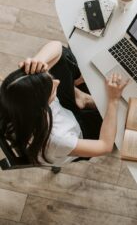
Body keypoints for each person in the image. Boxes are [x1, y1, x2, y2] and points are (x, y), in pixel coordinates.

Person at [0, 41, 128, 166]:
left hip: (60, 114)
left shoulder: (15, 97)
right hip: (79, 133)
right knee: (122, 117)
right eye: (52, 88)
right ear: (42, 106)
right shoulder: (58, 139)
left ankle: (80, 98)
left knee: (62, 58)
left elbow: (57, 47)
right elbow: (104, 146)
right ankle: (80, 97)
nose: (57, 82)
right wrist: (113, 99)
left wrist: (38, 60)